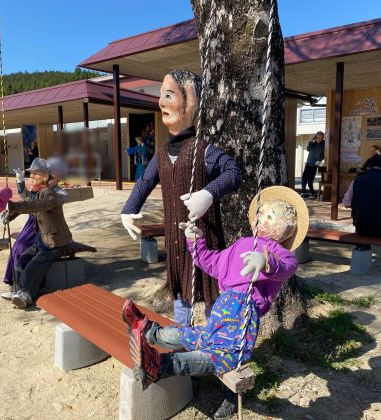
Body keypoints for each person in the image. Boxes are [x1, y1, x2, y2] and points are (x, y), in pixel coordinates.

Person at [122, 187, 306, 419]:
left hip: (243, 315)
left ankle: (160, 365)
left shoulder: (281, 254)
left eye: (272, 217)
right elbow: (212, 263)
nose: (263, 219)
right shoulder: (241, 244)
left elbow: (287, 268)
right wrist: (195, 241)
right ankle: (151, 332)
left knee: (224, 355)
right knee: (196, 336)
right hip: (223, 307)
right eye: (262, 213)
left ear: (287, 229)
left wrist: (266, 260)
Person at [121, 69, 242, 326]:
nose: (161, 103)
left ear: (191, 102)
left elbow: (234, 173)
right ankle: (184, 339)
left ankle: (214, 340)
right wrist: (128, 209)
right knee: (180, 291)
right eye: (161, 96)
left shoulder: (204, 151)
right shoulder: (162, 153)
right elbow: (144, 182)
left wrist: (208, 193)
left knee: (210, 289)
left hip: (204, 240)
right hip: (176, 242)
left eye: (169, 95)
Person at [4, 157, 73, 308]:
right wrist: (10, 213)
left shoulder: (50, 194)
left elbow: (36, 205)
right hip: (42, 240)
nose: (32, 177)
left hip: (54, 242)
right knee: (23, 260)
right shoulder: (37, 192)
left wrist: (15, 206)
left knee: (34, 265)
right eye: (31, 174)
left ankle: (26, 295)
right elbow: (27, 200)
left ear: (45, 175)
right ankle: (18, 290)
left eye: (35, 173)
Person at [301, 131, 325, 198]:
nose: (319, 138)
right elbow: (308, 149)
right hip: (308, 163)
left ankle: (312, 193)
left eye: (320, 137)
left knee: (310, 180)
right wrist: (311, 141)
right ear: (316, 136)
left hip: (314, 165)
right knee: (304, 178)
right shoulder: (312, 143)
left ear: (322, 137)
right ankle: (303, 192)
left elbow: (323, 154)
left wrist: (319, 160)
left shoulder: (323, 144)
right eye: (318, 137)